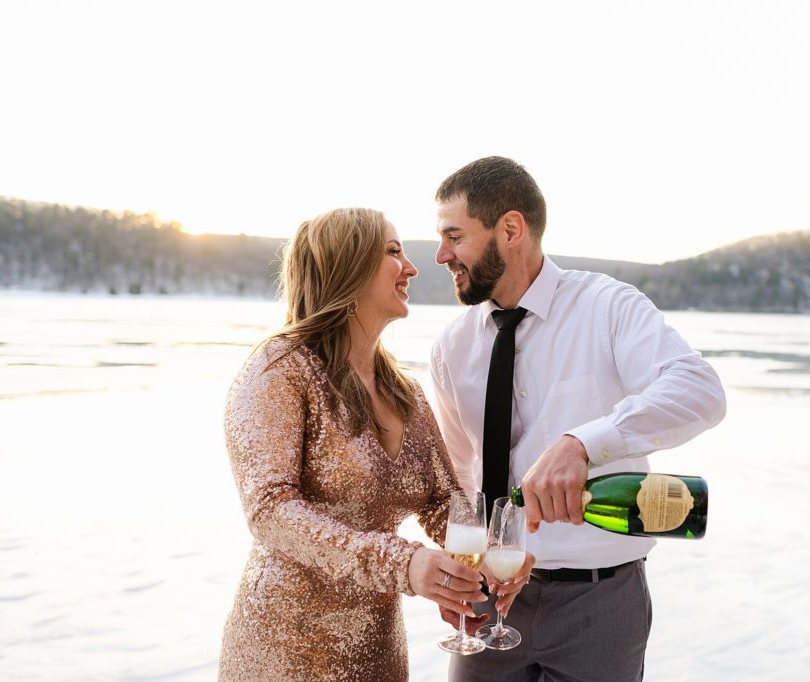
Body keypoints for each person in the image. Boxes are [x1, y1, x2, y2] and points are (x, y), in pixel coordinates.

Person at [430, 157, 727, 681]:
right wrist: (455, 571)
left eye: (455, 236)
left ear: (511, 229)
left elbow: (700, 390)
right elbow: (458, 475)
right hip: (490, 595)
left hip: (600, 604)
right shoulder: (451, 348)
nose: (441, 254)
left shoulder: (607, 308)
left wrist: (582, 444)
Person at [219, 207, 519, 681]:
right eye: (393, 252)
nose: (413, 267)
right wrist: (406, 563)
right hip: (285, 647)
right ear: (349, 265)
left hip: (377, 651)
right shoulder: (280, 370)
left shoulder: (404, 391)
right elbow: (271, 511)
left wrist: (483, 564)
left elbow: (445, 502)